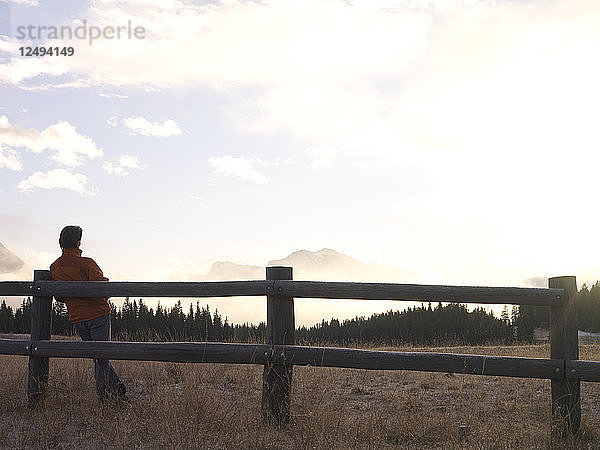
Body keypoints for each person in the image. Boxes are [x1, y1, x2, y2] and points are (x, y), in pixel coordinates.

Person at [49, 225, 128, 405]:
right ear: (78, 242)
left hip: (78, 318)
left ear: (61, 242)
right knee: (101, 358)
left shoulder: (55, 267)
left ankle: (120, 392)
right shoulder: (87, 263)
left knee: (99, 357)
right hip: (99, 315)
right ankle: (105, 400)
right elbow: (103, 289)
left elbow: (59, 296)